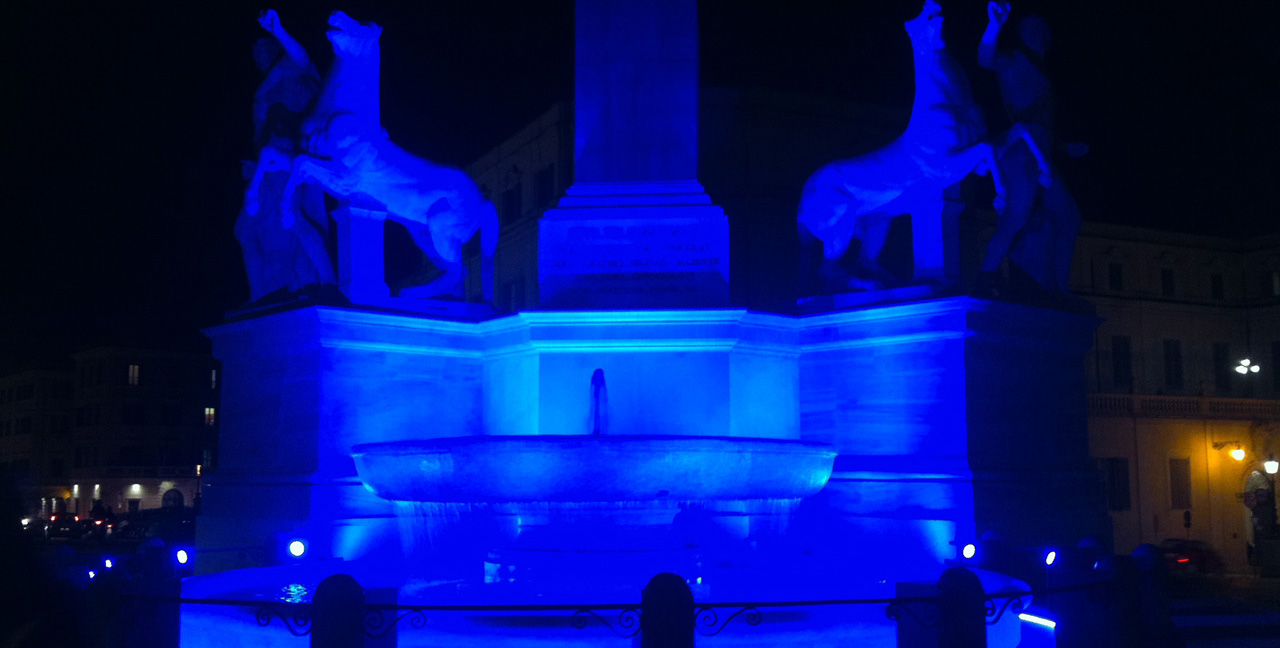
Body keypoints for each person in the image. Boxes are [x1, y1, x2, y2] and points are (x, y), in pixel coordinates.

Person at [976, 2, 1081, 297]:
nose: (1045, 37)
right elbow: (985, 58)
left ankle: (1060, 290)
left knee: (1069, 217)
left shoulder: (1039, 70)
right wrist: (994, 26)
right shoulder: (1012, 60)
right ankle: (986, 277)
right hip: (1022, 154)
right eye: (1038, 30)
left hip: (1043, 154)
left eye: (1045, 31)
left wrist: (1062, 146)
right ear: (1025, 33)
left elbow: (1042, 120)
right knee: (1014, 219)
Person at [237, 9, 334, 303]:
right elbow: (260, 133)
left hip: (298, 158)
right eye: (257, 54)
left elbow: (301, 56)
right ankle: (258, 295)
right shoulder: (262, 92)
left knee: (298, 219)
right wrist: (256, 165)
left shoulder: (294, 71)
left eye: (266, 50)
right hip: (268, 166)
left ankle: (325, 280)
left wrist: (278, 30)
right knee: (243, 230)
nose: (261, 57)